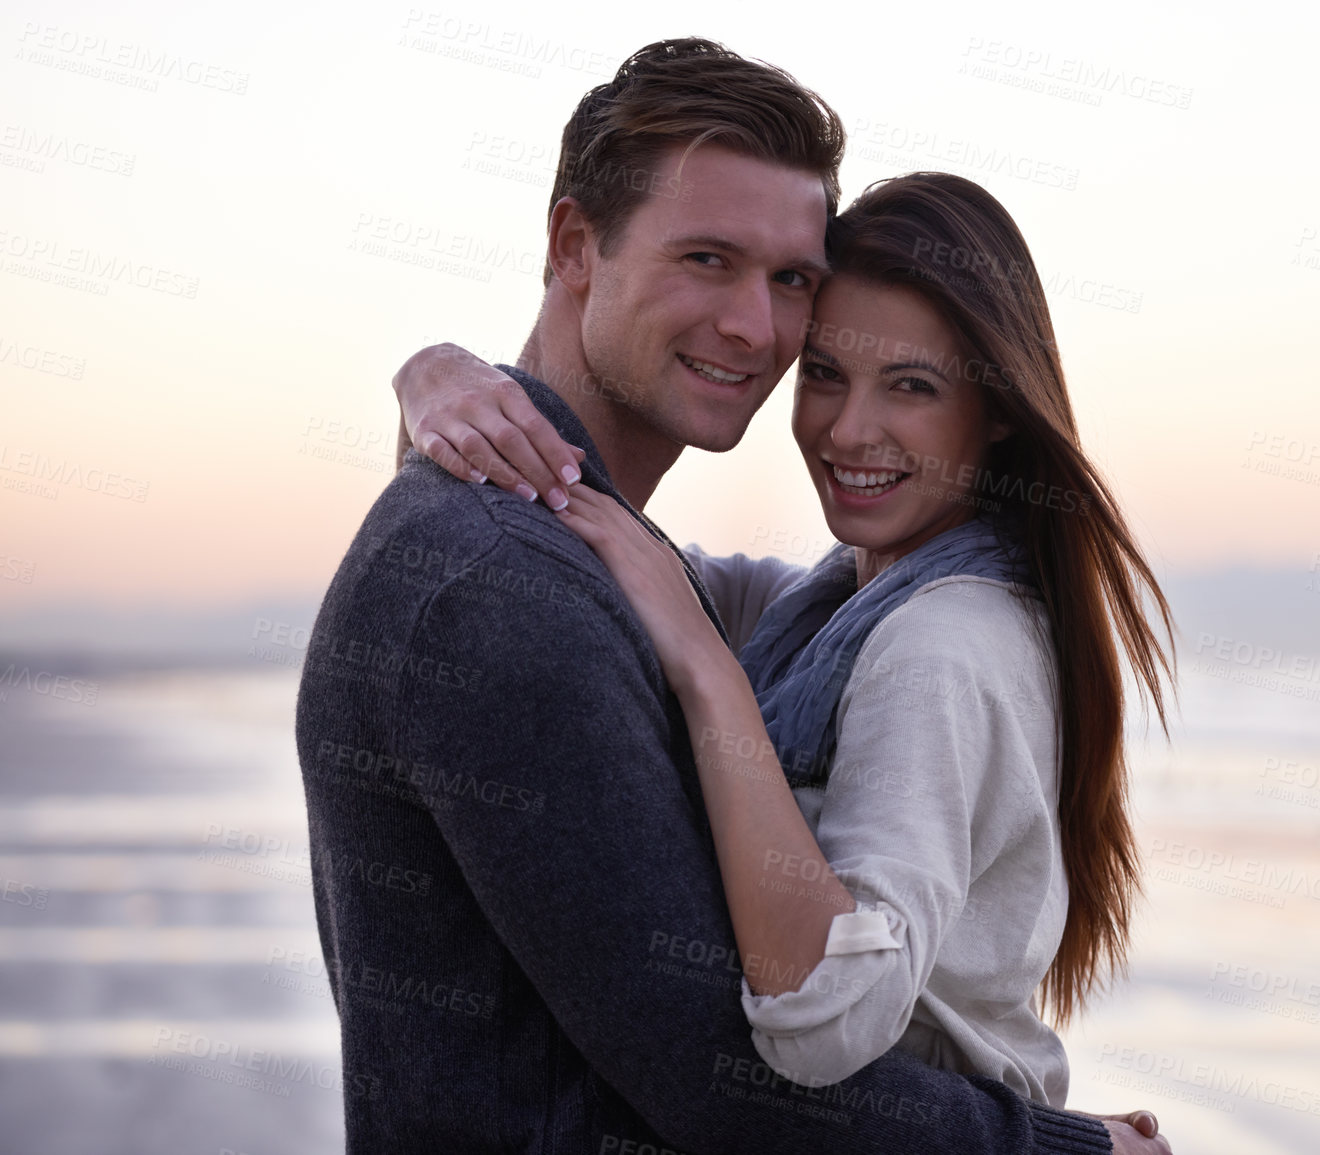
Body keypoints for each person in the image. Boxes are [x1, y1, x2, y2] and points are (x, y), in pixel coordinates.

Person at [297, 36, 1167, 1155]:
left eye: (790, 279)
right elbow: (727, 1086)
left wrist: (445, 389)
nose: (757, 328)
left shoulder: (584, 565)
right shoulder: (507, 595)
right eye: (707, 258)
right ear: (575, 245)